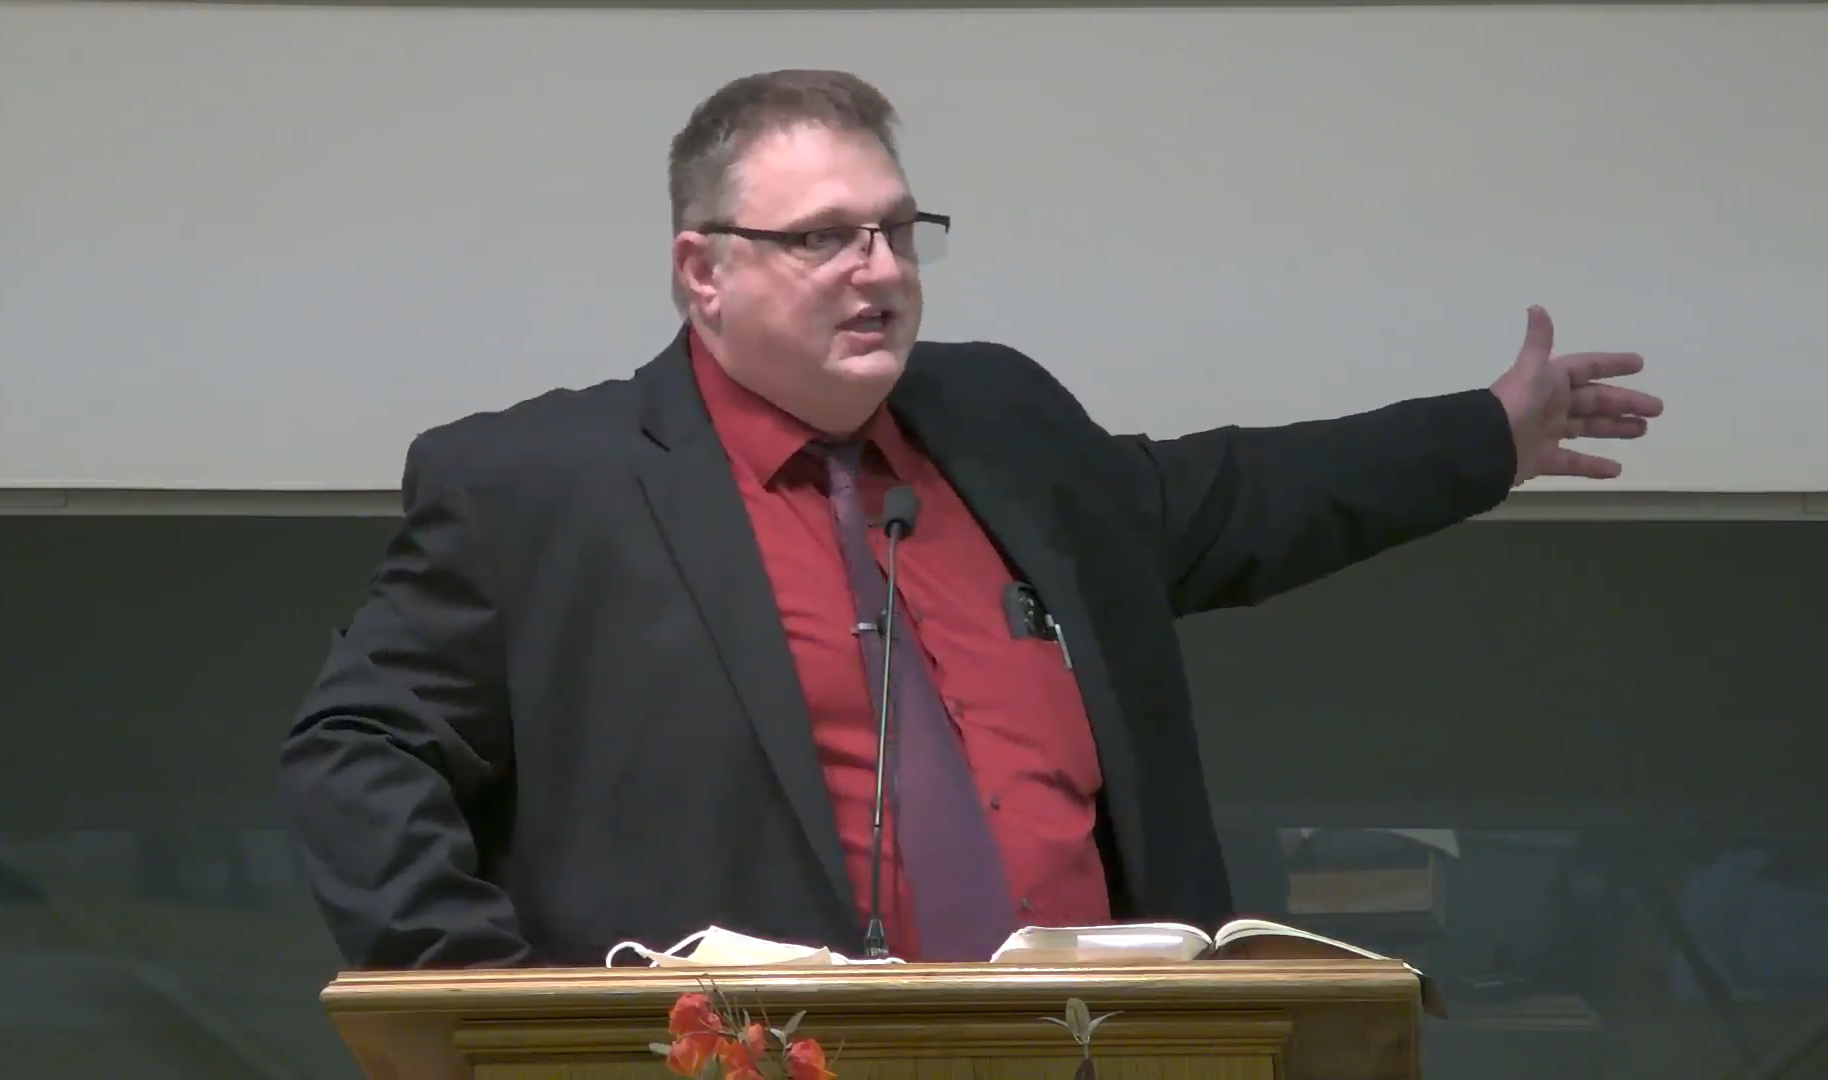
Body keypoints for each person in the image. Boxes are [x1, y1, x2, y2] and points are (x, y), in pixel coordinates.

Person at [278, 69, 1662, 970]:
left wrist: (1488, 436)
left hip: (1095, 1045)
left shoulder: (999, 420)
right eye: (824, 237)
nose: (879, 270)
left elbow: (1229, 500)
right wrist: (487, 1002)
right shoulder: (542, 485)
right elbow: (359, 748)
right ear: (702, 272)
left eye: (898, 230)